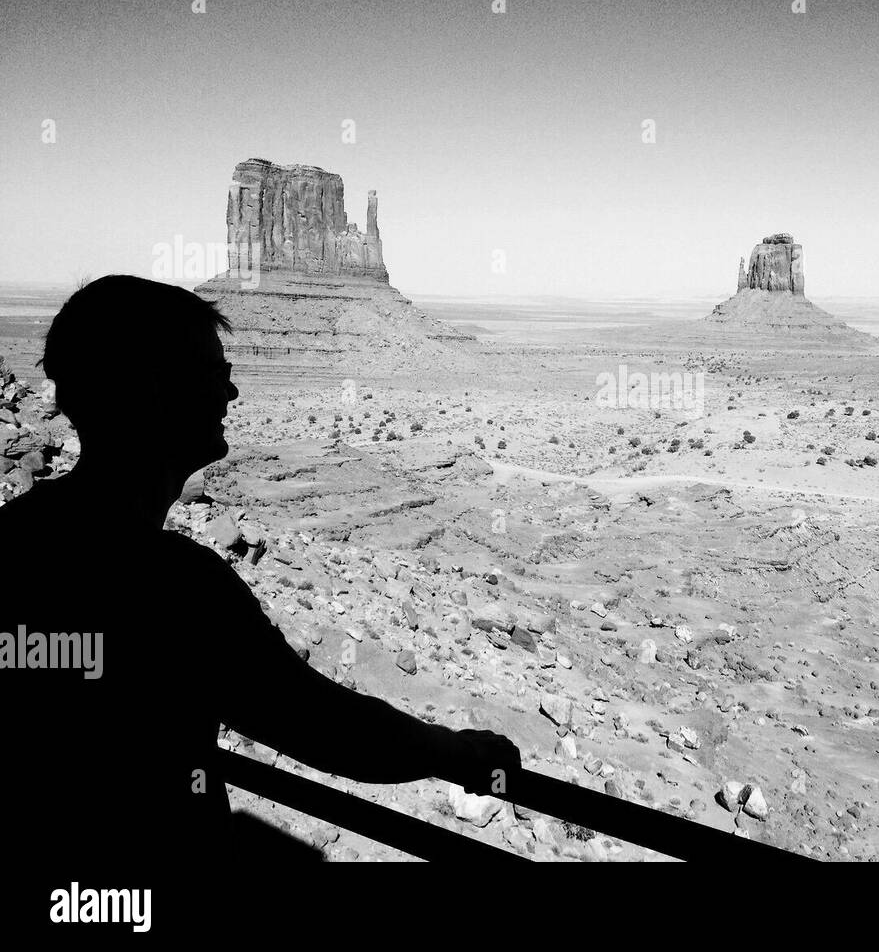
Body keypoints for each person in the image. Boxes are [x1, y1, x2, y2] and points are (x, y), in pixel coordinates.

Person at [0, 274, 520, 867]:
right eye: (214, 373)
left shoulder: (16, 535)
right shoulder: (173, 585)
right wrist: (453, 753)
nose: (232, 394)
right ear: (156, 390)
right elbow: (319, 724)